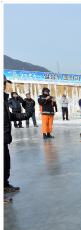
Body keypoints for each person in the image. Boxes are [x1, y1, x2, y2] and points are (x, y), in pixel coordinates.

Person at [4, 75, 33, 203]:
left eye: (5, 83)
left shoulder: (3, 99)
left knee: (5, 164)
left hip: (4, 139)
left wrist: (23, 116)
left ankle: (4, 185)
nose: (4, 85)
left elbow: (8, 115)